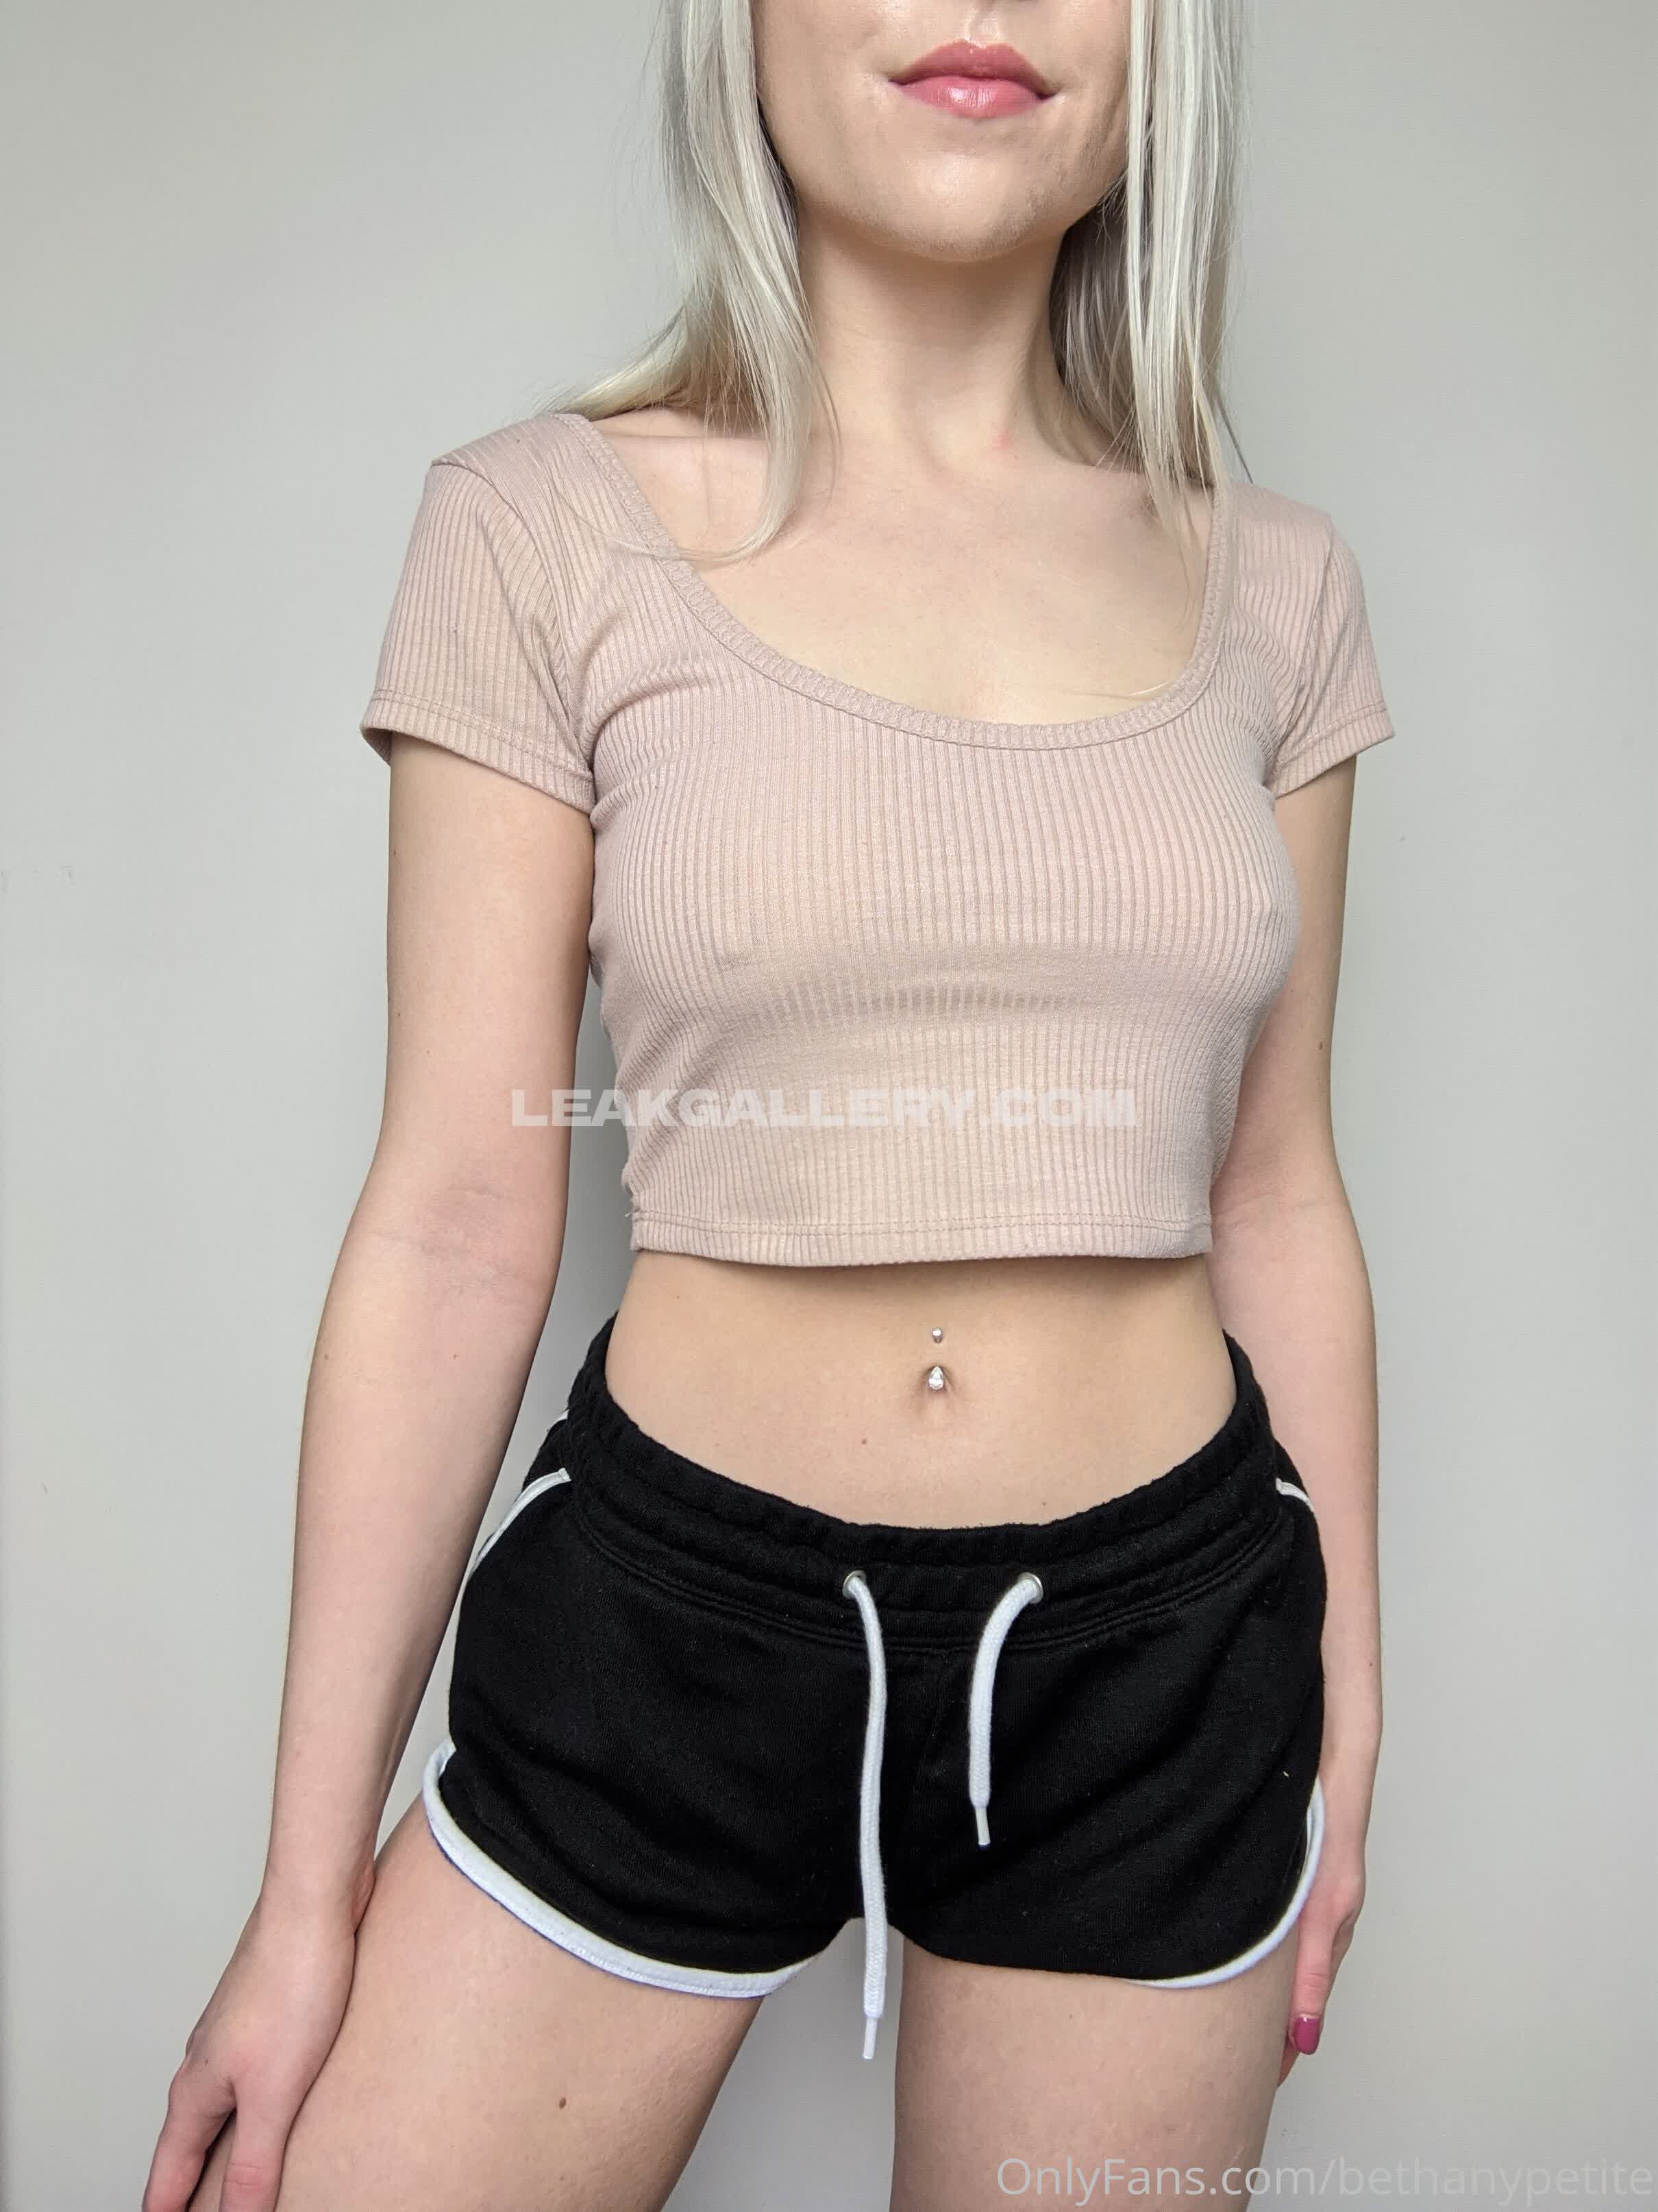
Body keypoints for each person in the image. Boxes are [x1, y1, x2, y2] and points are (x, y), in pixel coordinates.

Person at [145, 2, 1394, 2207]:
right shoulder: (541, 530)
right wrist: (305, 1892)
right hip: (666, 1612)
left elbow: (1276, 1192)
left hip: (1165, 1649)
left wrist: (1343, 1697)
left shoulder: (1271, 582)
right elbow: (454, 1220)